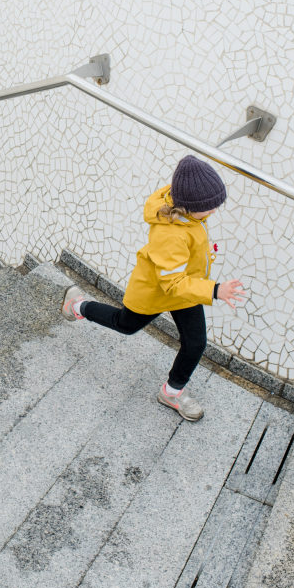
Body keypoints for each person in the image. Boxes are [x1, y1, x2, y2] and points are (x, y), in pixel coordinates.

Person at [61, 155, 246, 421]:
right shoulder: (170, 233)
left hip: (187, 289)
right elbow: (172, 282)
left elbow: (183, 273)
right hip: (158, 291)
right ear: (189, 206)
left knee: (195, 343)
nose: (214, 211)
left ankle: (171, 393)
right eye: (209, 207)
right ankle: (78, 306)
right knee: (125, 325)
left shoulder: (188, 211)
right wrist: (215, 290)